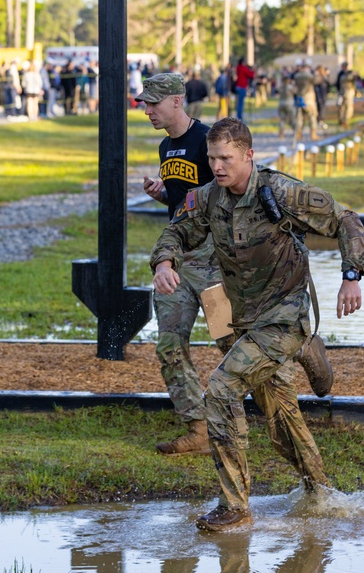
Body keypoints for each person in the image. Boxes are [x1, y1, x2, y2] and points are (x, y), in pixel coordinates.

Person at [150, 117, 364, 531]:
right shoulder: (209, 198)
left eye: (226, 158)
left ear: (249, 155)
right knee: (282, 416)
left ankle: (235, 506)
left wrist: (350, 277)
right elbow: (175, 232)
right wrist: (164, 262)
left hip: (284, 317)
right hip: (247, 322)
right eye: (212, 157)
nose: (217, 166)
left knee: (220, 389)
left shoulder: (281, 191)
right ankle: (320, 491)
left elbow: (346, 221)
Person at [137, 73, 235, 455]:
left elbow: (225, 199)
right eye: (145, 104)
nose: (148, 111)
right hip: (178, 261)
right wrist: (164, 194)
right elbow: (185, 204)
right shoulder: (166, 148)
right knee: (169, 344)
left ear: (177, 101)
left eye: (154, 103)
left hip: (214, 261)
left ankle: (295, 373)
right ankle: (198, 429)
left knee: (232, 342)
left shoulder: (209, 141)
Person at [293, 61, 319, 142]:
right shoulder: (309, 75)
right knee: (312, 116)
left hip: (300, 97)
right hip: (309, 98)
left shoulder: (297, 75)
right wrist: (316, 74)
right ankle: (313, 134)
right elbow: (316, 81)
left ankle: (298, 134)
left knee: (299, 117)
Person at [336, 62, 358, 130]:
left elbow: (354, 80)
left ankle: (346, 120)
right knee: (340, 106)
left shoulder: (350, 73)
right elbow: (337, 83)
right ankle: (341, 120)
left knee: (348, 106)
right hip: (342, 92)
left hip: (349, 91)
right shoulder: (340, 74)